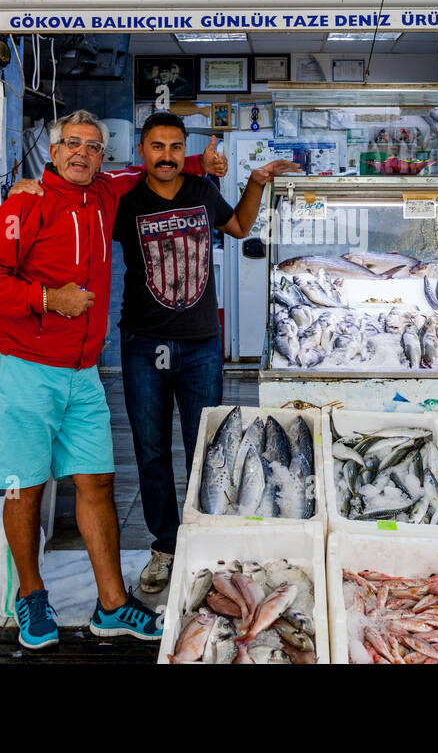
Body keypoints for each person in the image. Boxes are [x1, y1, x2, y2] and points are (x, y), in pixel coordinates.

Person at [0, 110, 225, 649]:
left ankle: (111, 605)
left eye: (93, 146)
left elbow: (154, 167)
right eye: (73, 144)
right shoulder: (25, 204)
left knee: (98, 482)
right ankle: (31, 596)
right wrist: (46, 298)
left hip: (83, 374)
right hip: (26, 369)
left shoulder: (108, 192)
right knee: (26, 488)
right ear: (54, 152)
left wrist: (203, 161)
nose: (83, 153)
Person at [116, 113, 296, 592]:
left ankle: (209, 535)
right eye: (158, 147)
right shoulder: (125, 200)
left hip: (200, 344)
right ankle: (165, 547)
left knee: (209, 447)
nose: (167, 156)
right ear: (142, 152)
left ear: (183, 151)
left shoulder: (200, 191)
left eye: (176, 147)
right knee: (151, 450)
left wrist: (255, 182)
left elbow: (238, 225)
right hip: (142, 343)